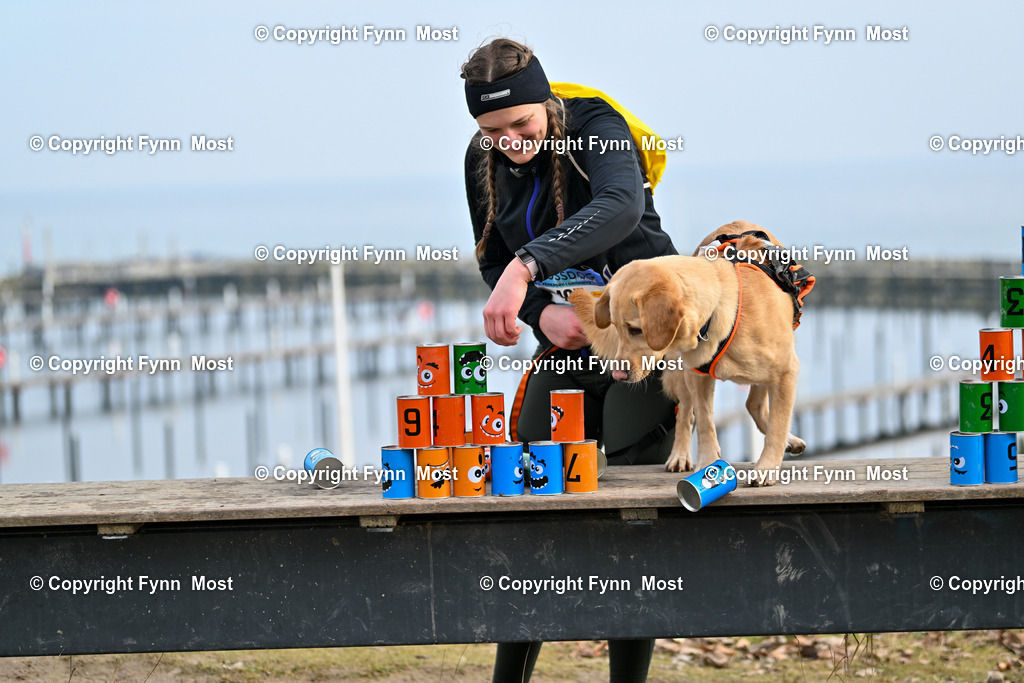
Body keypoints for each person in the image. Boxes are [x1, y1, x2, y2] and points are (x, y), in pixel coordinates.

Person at [461, 39, 679, 683]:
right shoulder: (482, 157)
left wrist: (527, 269)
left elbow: (620, 208)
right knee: (531, 496)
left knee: (634, 514)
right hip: (567, 344)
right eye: (492, 131)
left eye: (521, 124)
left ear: (547, 104)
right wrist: (541, 314)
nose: (509, 142)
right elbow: (491, 256)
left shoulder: (597, 129)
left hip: (643, 341)